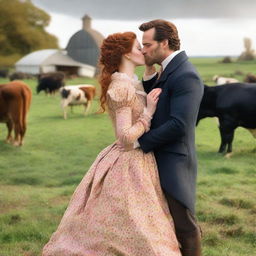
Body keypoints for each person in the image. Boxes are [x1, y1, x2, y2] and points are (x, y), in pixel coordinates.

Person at [42, 32, 181, 256]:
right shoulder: (120, 88)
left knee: (141, 220)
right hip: (128, 161)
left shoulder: (130, 82)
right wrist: (148, 114)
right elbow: (125, 138)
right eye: (138, 47)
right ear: (126, 54)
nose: (143, 51)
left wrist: (149, 72)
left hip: (141, 160)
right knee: (133, 223)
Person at [137, 20, 204, 256]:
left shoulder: (186, 75)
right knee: (167, 224)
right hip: (161, 157)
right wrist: (148, 73)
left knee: (184, 225)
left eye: (147, 44)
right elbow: (157, 100)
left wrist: (139, 142)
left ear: (164, 43)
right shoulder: (169, 70)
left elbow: (179, 124)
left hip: (175, 161)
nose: (142, 49)